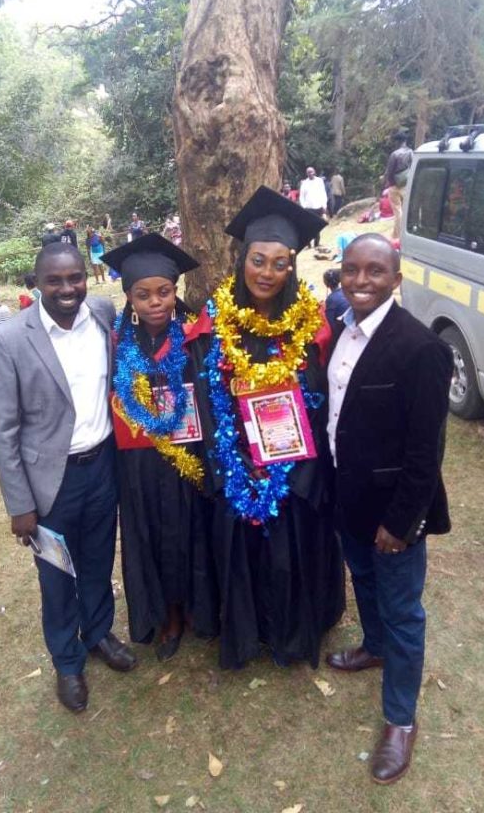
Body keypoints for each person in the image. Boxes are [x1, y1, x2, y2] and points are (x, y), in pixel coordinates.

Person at [186, 186, 345, 670]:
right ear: (242, 259)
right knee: (240, 536)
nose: (268, 273)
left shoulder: (311, 323)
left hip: (294, 465)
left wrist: (296, 463)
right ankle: (246, 629)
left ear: (292, 266)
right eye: (259, 260)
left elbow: (321, 401)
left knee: (289, 541)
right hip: (235, 462)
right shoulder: (214, 322)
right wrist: (231, 466)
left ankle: (292, 632)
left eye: (281, 262)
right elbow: (206, 396)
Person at [0, 244, 136, 712]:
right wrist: (19, 504)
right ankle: (67, 663)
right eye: (55, 281)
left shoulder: (104, 314)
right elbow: (1, 427)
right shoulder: (11, 339)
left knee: (96, 561)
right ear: (37, 283)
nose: (67, 289)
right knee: (56, 576)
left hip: (102, 467)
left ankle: (99, 633)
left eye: (75, 278)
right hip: (50, 483)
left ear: (87, 277)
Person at [325, 234, 453, 786]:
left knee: (403, 611)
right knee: (365, 583)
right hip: (346, 496)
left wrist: (401, 523)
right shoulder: (340, 332)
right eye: (352, 269)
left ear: (396, 280)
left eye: (375, 271)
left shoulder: (422, 349)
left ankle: (400, 720)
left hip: (392, 513)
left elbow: (426, 454)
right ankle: (373, 647)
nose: (360, 281)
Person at [102, 234, 218, 661]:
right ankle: (167, 615)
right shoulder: (117, 345)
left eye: (164, 292)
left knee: (192, 533)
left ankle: (199, 609)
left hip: (187, 460)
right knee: (153, 537)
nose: (155, 302)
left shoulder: (194, 337)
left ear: (176, 292)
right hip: (138, 464)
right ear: (129, 297)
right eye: (143, 294)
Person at [383, 131, 413, 240]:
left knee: (397, 211)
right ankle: (407, 234)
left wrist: (387, 183)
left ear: (397, 141)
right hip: (406, 185)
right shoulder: (410, 152)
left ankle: (396, 235)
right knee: (407, 209)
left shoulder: (394, 154)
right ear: (405, 141)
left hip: (394, 186)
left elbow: (389, 171)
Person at [298, 167, 328, 248]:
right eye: (308, 172)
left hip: (318, 207)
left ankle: (316, 243)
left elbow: (323, 193)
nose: (310, 173)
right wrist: (304, 206)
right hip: (308, 208)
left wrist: (324, 205)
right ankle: (308, 244)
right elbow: (302, 196)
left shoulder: (319, 181)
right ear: (306, 174)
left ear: (314, 172)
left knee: (318, 225)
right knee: (308, 226)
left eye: (311, 172)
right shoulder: (304, 183)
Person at [322, 269, 349, 337]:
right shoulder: (346, 291)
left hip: (344, 331)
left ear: (326, 284)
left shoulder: (331, 299)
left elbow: (330, 323)